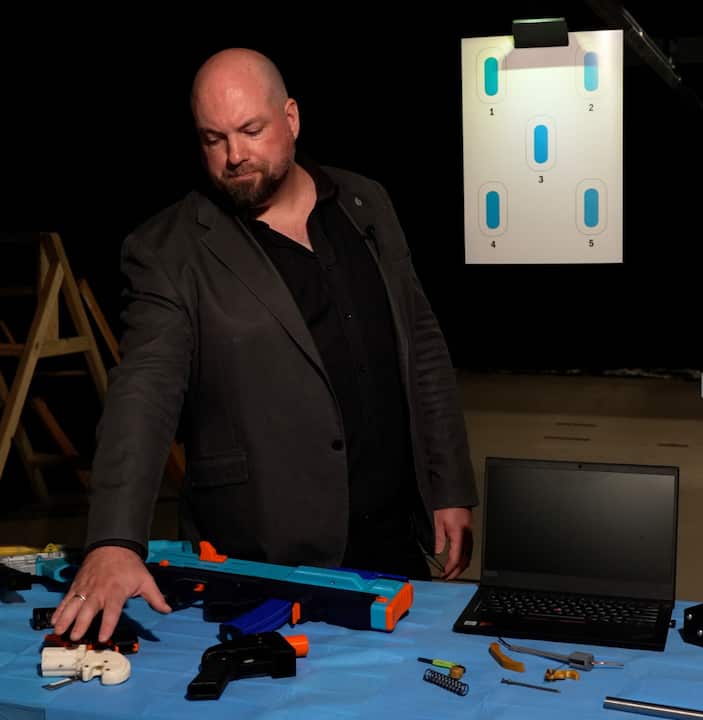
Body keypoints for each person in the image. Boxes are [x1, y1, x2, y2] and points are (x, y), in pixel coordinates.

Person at [52, 48, 477, 644]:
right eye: (213, 139)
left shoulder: (366, 203)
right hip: (264, 557)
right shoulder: (169, 248)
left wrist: (448, 485)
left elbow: (422, 346)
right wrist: (115, 540)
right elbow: (142, 393)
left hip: (392, 539)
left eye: (251, 130)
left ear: (293, 119)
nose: (234, 156)